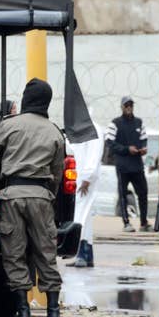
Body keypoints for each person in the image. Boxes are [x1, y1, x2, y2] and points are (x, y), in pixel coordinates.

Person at [0, 78, 65, 317]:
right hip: (41, 196)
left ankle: (23, 312)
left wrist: (2, 167)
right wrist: (49, 196)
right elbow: (57, 172)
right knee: (46, 253)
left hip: (12, 195)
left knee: (14, 252)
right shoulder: (54, 131)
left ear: (27, 99)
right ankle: (54, 313)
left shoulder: (10, 125)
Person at [105, 96, 150, 232]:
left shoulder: (139, 122)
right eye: (126, 105)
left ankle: (143, 223)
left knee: (143, 193)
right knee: (123, 194)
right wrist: (126, 149)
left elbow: (144, 139)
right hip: (123, 165)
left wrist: (143, 149)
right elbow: (109, 142)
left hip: (137, 164)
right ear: (122, 107)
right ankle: (126, 223)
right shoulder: (115, 123)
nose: (129, 107)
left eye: (131, 105)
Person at [67, 111, 104, 268]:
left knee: (80, 216)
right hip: (79, 178)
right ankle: (87, 254)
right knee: (84, 217)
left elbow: (94, 156)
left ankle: (83, 254)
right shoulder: (80, 129)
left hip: (86, 181)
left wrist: (87, 179)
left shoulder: (92, 129)